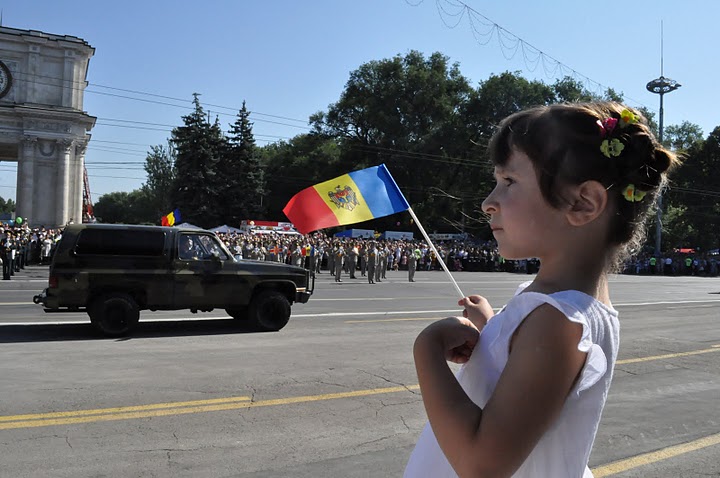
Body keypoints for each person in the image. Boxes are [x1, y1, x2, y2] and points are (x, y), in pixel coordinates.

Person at [404, 102, 680, 478]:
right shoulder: (559, 310)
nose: (488, 202)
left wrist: (427, 350)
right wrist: (493, 330)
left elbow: (481, 464)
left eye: (509, 182)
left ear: (583, 203)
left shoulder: (556, 322)